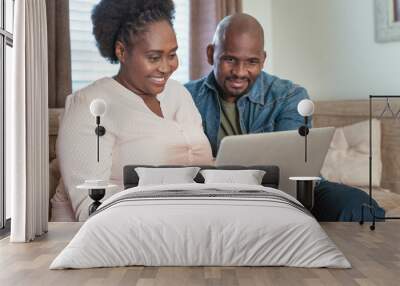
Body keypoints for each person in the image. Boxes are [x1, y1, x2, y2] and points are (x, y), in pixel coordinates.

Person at [184, 13, 384, 221]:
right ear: (210, 54)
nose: (240, 72)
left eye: (251, 62)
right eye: (230, 59)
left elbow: (291, 166)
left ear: (263, 60)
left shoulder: (290, 96)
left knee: (360, 206)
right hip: (218, 195)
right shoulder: (185, 97)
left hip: (291, 190)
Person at [57, 0, 213, 221]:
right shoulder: (90, 105)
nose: (166, 67)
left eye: (172, 54)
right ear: (121, 51)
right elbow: (92, 208)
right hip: (121, 236)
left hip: (190, 225)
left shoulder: (178, 94)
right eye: (154, 57)